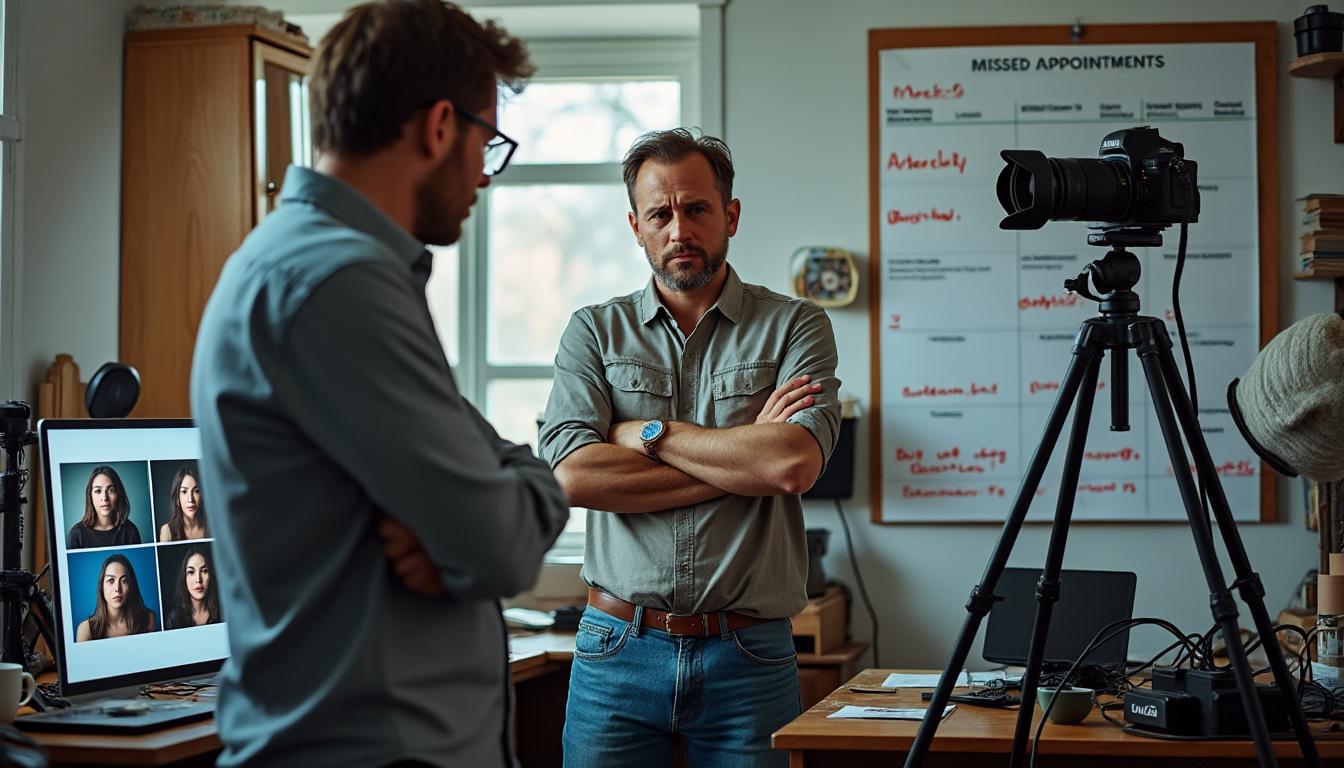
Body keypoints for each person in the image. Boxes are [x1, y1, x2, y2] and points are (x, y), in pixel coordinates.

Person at [189, 2, 569, 766]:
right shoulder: (338, 283)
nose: (484, 178)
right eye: (485, 141)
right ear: (437, 127)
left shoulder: (312, 264)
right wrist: (533, 482)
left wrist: (491, 492)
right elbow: (498, 547)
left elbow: (476, 497)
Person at [539, 128, 842, 768]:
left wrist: (646, 434)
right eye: (660, 214)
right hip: (616, 648)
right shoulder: (593, 331)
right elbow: (571, 477)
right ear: (636, 226)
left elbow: (791, 462)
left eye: (697, 208)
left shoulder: (796, 324)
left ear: (730, 214)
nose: (680, 229)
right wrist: (742, 461)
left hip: (750, 654)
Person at [75, 554, 157, 641]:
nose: (117, 589)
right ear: (101, 587)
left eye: (124, 581)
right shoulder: (85, 630)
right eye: (111, 580)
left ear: (131, 585)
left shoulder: (148, 619)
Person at [66, 466, 143, 549]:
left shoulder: (130, 531)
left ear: (118, 494)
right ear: (90, 496)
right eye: (98, 491)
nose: (104, 497)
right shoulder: (77, 533)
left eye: (111, 490)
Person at [165, 546, 222, 630]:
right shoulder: (174, 619)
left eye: (205, 571)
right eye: (191, 572)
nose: (198, 579)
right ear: (184, 578)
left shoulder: (223, 614)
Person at [158, 465, 208, 542]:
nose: (191, 499)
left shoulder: (212, 527)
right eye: (184, 491)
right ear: (177, 499)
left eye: (196, 491)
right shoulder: (167, 531)